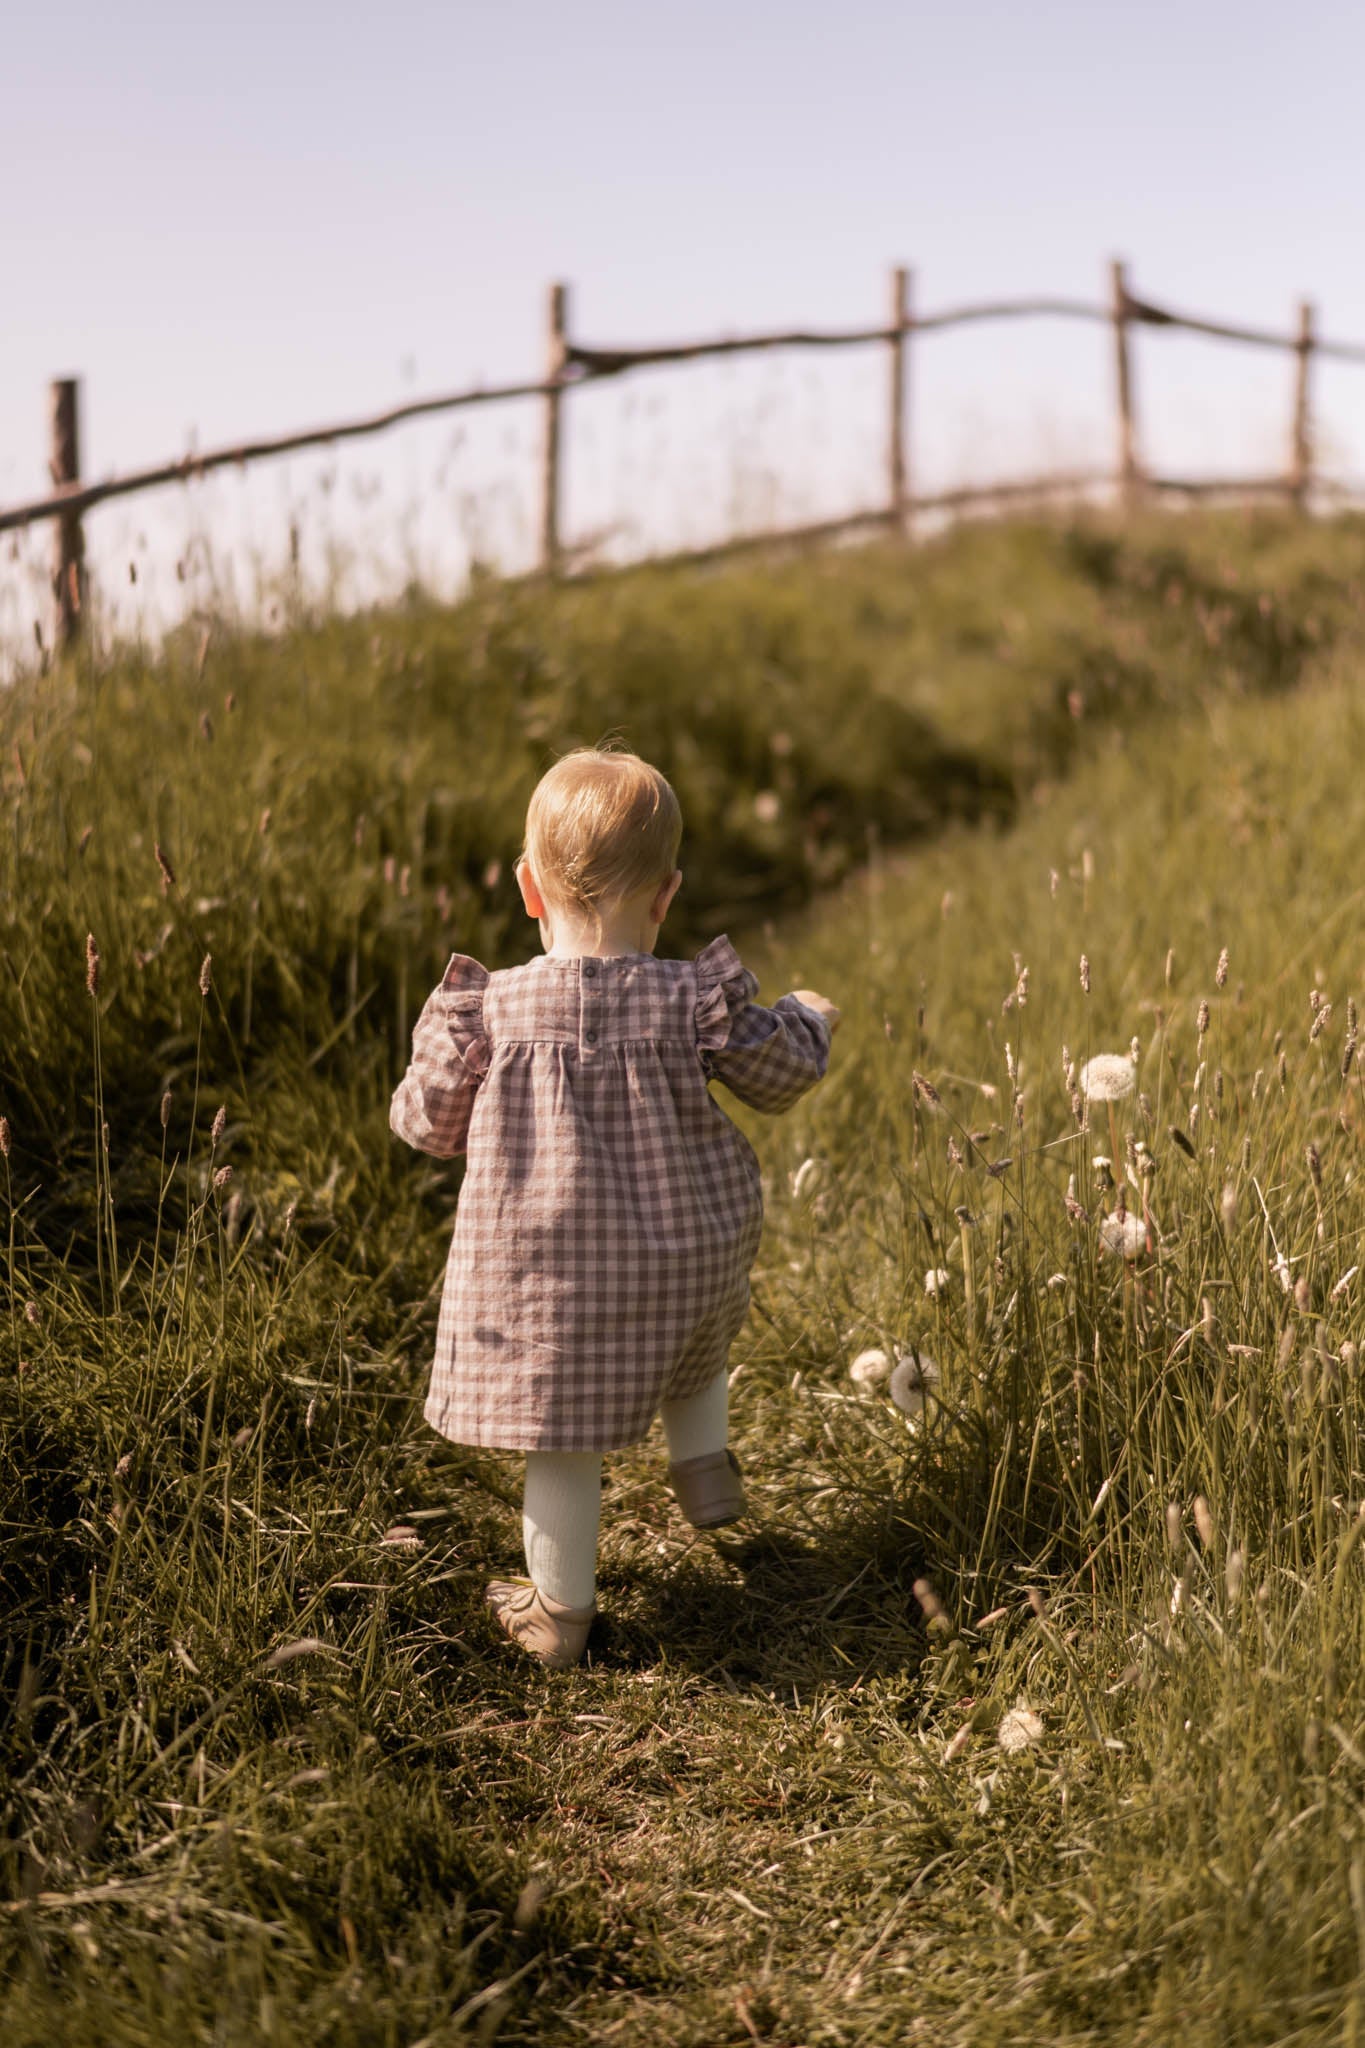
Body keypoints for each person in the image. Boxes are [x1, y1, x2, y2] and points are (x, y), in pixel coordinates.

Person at [390, 747, 838, 1669]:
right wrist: (809, 1016)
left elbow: (427, 1125)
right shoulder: (692, 999)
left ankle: (558, 1615)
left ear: (527, 889)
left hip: (554, 1283)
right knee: (691, 1330)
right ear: (666, 897)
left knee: (560, 1437)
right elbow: (782, 1075)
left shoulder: (492, 1009)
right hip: (690, 1251)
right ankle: (703, 1471)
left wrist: (426, 1069)